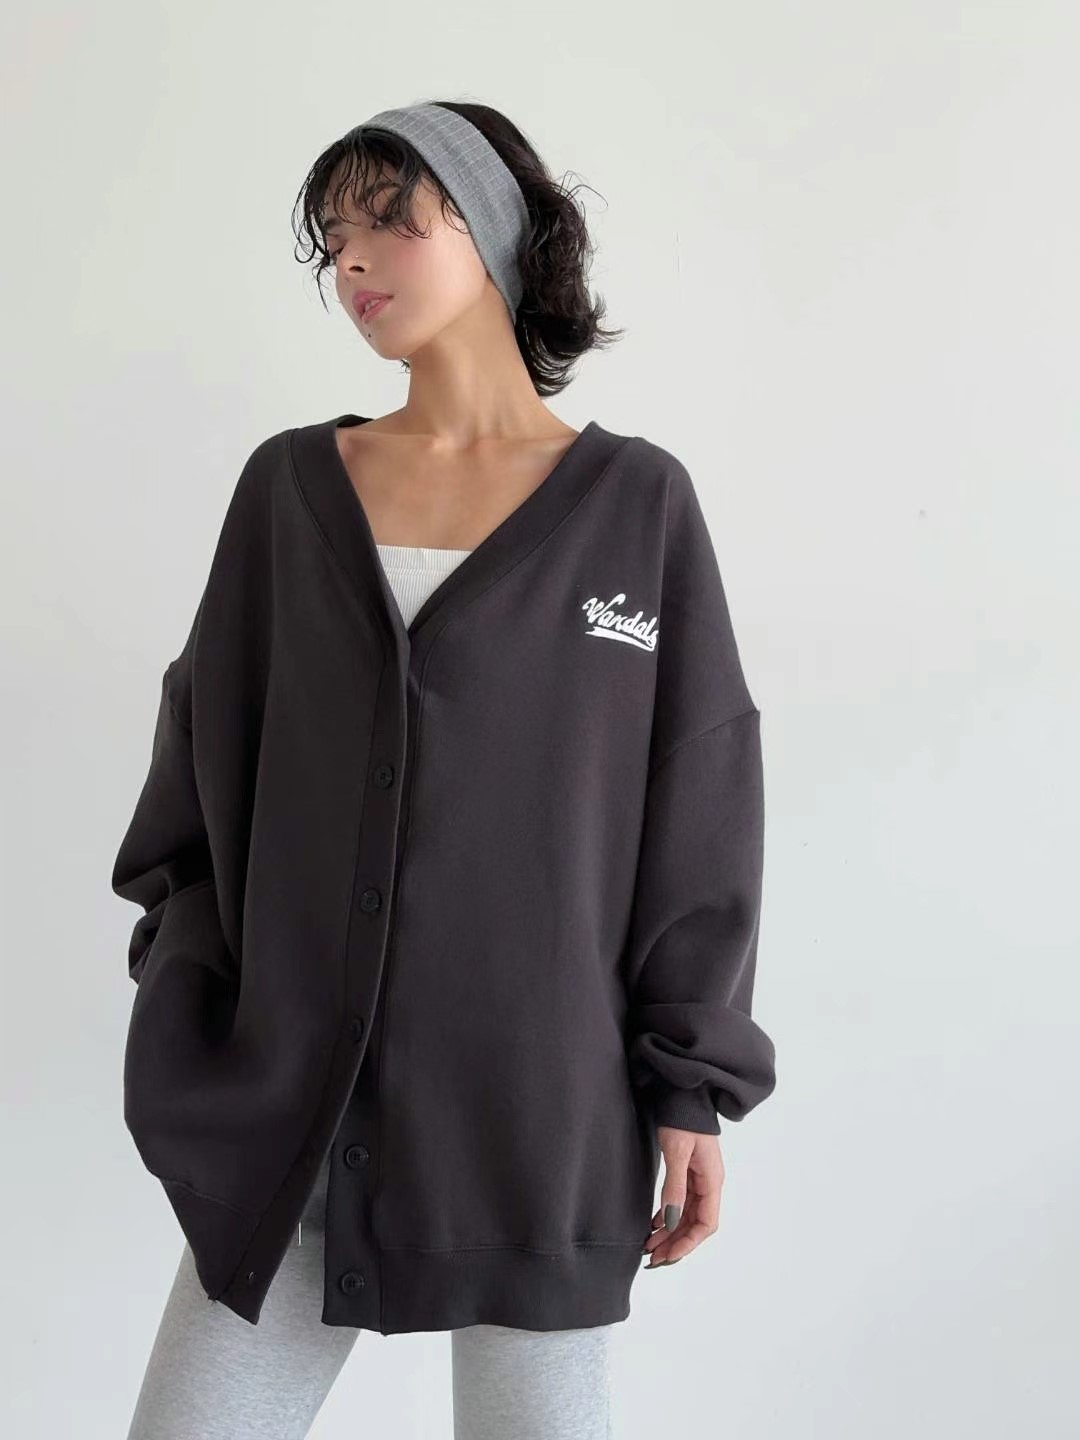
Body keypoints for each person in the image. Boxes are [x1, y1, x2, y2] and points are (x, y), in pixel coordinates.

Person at [116, 98, 776, 1440]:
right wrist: (197, 998)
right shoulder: (289, 491)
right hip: (293, 1123)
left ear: (489, 230)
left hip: (540, 1132)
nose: (353, 261)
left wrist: (690, 1085)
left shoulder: (637, 507)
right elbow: (199, 773)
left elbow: (696, 807)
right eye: (333, 239)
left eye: (387, 221)